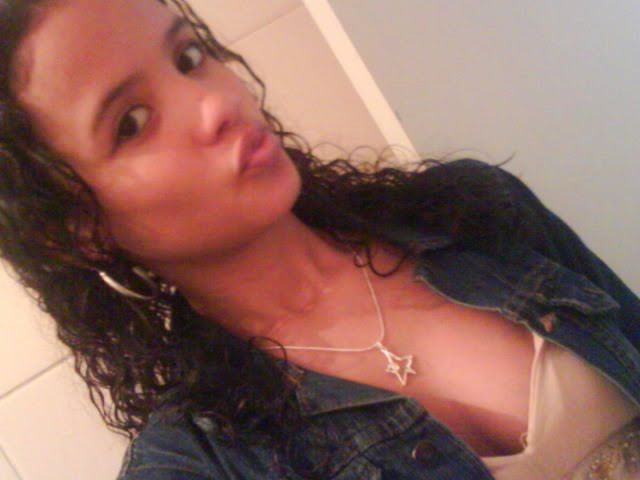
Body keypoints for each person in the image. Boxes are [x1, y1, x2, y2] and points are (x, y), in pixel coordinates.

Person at [1, 0, 638, 478]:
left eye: (188, 57)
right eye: (133, 122)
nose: (215, 104)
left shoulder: (472, 213)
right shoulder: (203, 462)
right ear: (75, 229)